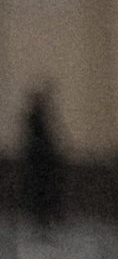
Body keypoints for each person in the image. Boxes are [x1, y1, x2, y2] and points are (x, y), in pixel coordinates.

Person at [18, 85, 66, 238]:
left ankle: (44, 220)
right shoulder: (35, 119)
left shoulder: (39, 119)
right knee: (41, 195)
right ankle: (42, 221)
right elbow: (38, 142)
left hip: (42, 165)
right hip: (40, 165)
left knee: (43, 194)